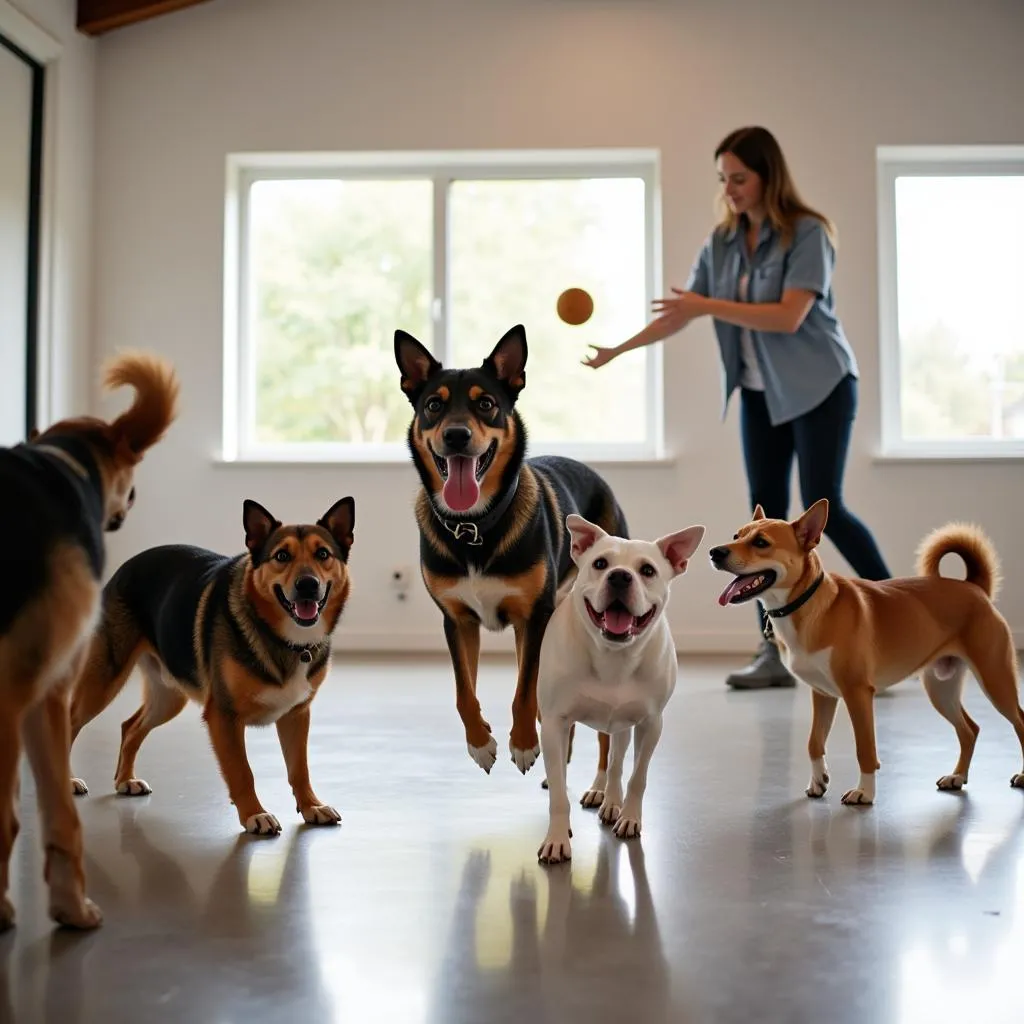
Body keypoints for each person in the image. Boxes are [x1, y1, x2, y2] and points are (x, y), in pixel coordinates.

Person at [583, 125, 891, 689]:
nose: (730, 189)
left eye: (740, 178)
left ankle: (892, 627)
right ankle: (774, 652)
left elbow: (789, 316)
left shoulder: (808, 233)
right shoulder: (721, 242)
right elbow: (685, 311)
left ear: (768, 176)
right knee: (762, 521)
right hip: (759, 393)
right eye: (724, 179)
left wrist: (706, 304)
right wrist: (618, 350)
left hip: (821, 384)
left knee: (829, 509)